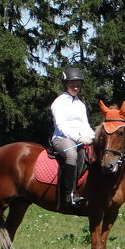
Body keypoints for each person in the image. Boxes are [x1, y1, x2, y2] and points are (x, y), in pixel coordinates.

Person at [50, 67, 95, 211]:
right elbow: (61, 125)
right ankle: (69, 193)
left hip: (80, 138)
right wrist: (78, 137)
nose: (75, 88)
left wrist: (93, 137)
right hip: (62, 138)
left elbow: (85, 125)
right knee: (72, 154)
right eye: (72, 85)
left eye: (78, 85)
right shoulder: (59, 102)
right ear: (66, 84)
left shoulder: (80, 105)